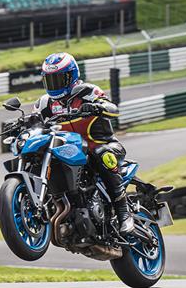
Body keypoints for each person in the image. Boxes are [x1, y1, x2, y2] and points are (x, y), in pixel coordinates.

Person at [32, 52, 133, 233]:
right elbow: (34, 122)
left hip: (104, 145)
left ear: (72, 76)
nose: (54, 84)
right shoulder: (44, 104)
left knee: (102, 154)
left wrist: (97, 106)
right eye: (50, 80)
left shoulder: (88, 92)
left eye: (59, 78)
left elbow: (113, 109)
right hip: (70, 151)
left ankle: (124, 213)